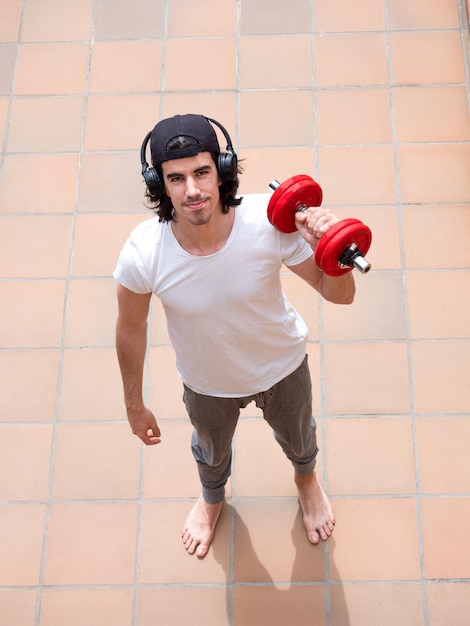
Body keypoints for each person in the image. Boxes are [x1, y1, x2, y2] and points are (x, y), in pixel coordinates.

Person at [113, 114, 355, 559]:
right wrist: (133, 402)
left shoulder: (269, 221)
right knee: (209, 452)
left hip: (281, 367)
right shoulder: (144, 251)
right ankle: (211, 500)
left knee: (301, 438)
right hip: (207, 382)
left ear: (222, 172)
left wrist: (334, 250)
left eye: (202, 172)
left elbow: (337, 295)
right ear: (159, 184)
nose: (192, 190)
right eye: (176, 178)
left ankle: (306, 481)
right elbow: (130, 327)